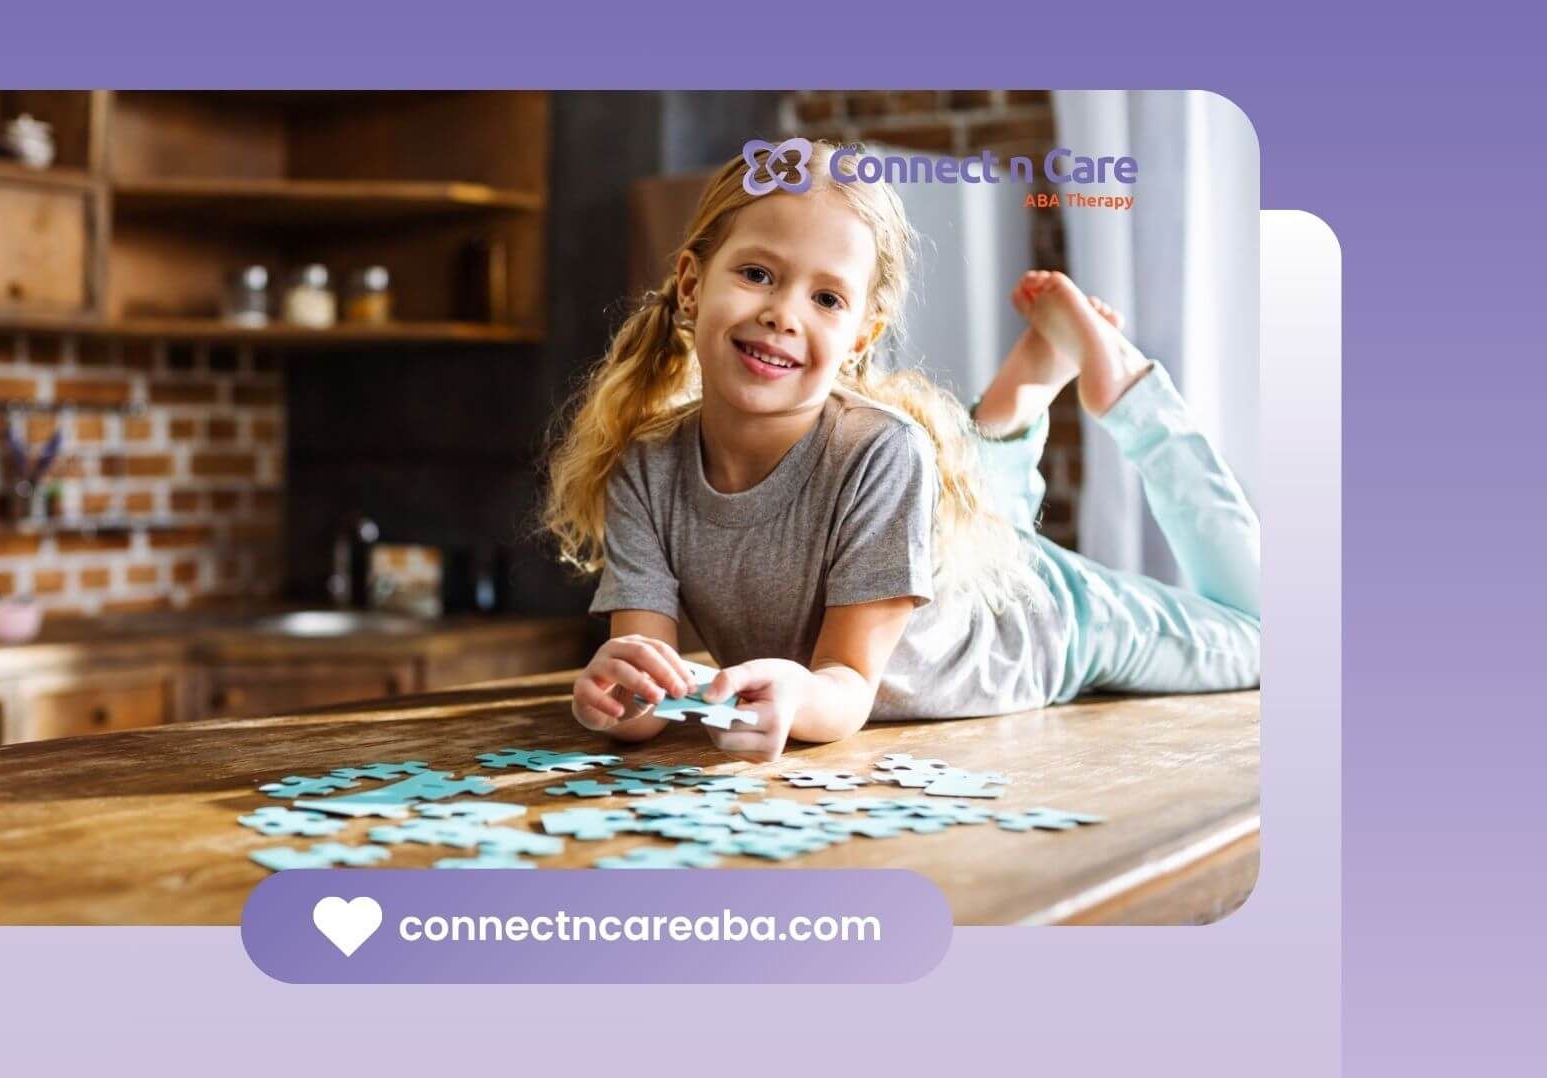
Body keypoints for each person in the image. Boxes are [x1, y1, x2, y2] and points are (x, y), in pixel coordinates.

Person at [537, 137, 1260, 762]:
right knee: (975, 523)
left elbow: (847, 686)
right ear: (692, 286)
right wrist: (617, 694)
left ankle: (1127, 391)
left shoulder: (882, 452)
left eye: (827, 299)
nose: (782, 313)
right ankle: (1025, 390)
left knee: (1268, 634)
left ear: (860, 337)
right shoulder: (646, 467)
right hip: (947, 567)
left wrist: (796, 695)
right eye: (757, 273)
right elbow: (650, 685)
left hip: (1045, 622)